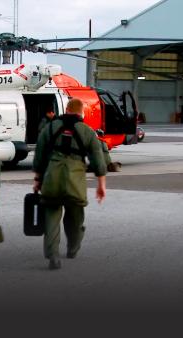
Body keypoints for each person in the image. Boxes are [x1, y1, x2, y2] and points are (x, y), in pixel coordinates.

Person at [33, 98, 107, 270]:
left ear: (66, 109)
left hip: (52, 178)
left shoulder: (49, 127)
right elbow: (98, 159)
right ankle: (73, 248)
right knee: (75, 218)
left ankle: (53, 255)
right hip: (75, 181)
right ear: (82, 112)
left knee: (51, 217)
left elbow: (40, 154)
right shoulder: (87, 131)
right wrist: (101, 184)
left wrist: (37, 180)